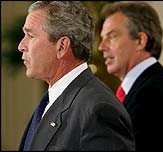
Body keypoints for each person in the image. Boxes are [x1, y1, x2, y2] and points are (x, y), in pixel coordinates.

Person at [17, 1, 135, 151]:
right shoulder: (51, 100)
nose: (21, 45)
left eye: (30, 35)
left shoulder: (98, 110)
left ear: (62, 46)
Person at [99, 1, 163, 151]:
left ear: (140, 41)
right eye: (103, 38)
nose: (101, 46)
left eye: (112, 36)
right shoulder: (147, 86)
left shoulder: (151, 95)